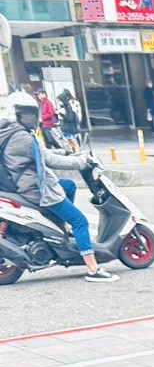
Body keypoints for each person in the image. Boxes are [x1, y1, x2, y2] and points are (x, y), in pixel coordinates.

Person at [0, 90, 115, 282]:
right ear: (15, 114)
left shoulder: (11, 133)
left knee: (68, 186)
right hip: (37, 189)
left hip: (26, 184)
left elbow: (41, 153)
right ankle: (93, 269)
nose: (31, 118)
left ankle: (59, 227)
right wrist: (82, 161)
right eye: (25, 114)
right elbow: (50, 160)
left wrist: (67, 152)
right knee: (80, 222)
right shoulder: (23, 137)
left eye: (32, 113)